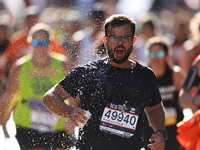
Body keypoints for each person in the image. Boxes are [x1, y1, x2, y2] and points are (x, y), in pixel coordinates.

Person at [43, 14, 166, 150]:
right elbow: (50, 97)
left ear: (133, 40)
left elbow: (154, 108)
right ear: (105, 40)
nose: (120, 42)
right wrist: (69, 112)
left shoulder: (145, 75)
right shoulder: (89, 72)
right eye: (114, 37)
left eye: (125, 37)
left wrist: (160, 131)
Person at [0, 23, 76, 150]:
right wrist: (3, 121)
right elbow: (9, 95)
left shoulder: (63, 64)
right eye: (36, 42)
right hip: (27, 124)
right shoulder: (19, 67)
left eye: (44, 42)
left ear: (50, 43)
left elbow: (73, 94)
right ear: (30, 42)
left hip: (59, 123)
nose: (40, 46)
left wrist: (72, 117)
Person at [143, 36, 185, 150]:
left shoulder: (175, 74)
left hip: (174, 130)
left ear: (167, 54)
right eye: (151, 54)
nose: (155, 57)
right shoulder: (143, 76)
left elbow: (188, 97)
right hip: (151, 132)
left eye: (159, 53)